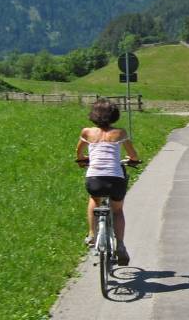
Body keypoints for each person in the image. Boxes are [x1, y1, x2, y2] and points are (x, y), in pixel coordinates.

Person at [75, 98, 140, 266]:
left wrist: (82, 160)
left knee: (94, 199)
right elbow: (133, 156)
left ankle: (91, 234)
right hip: (115, 179)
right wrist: (131, 160)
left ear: (94, 115)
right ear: (114, 115)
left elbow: (79, 152)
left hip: (94, 179)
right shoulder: (120, 133)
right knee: (117, 211)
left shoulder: (87, 132)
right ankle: (120, 246)